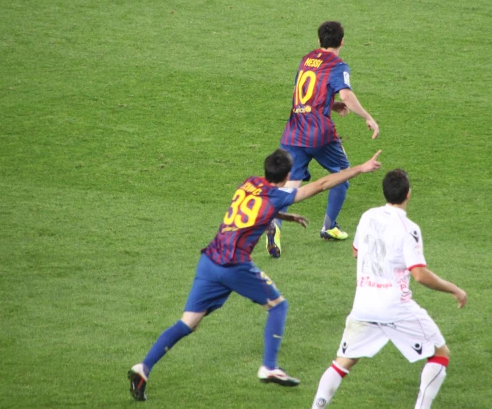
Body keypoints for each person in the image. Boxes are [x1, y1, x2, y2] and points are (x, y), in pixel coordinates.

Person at [127, 149, 383, 402]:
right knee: (278, 306)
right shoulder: (279, 195)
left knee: (188, 323)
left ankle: (144, 368)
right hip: (234, 265)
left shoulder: (249, 183)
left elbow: (251, 208)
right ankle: (269, 366)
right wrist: (360, 168)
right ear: (286, 176)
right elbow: (322, 183)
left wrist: (284, 216)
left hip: (209, 261)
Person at [310, 169, 467, 409]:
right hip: (395, 306)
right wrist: (454, 289)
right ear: (408, 194)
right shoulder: (408, 228)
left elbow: (355, 252)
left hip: (364, 305)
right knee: (440, 353)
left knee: (342, 363)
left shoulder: (367, 216)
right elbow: (419, 274)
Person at [268, 21, 380, 258]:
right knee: (342, 175)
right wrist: (367, 117)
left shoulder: (306, 59)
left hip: (294, 129)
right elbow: (347, 95)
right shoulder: (338, 66)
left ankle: (275, 227)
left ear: (319, 41)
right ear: (342, 41)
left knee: (291, 184)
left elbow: (304, 92)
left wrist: (331, 103)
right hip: (319, 132)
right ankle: (329, 227)